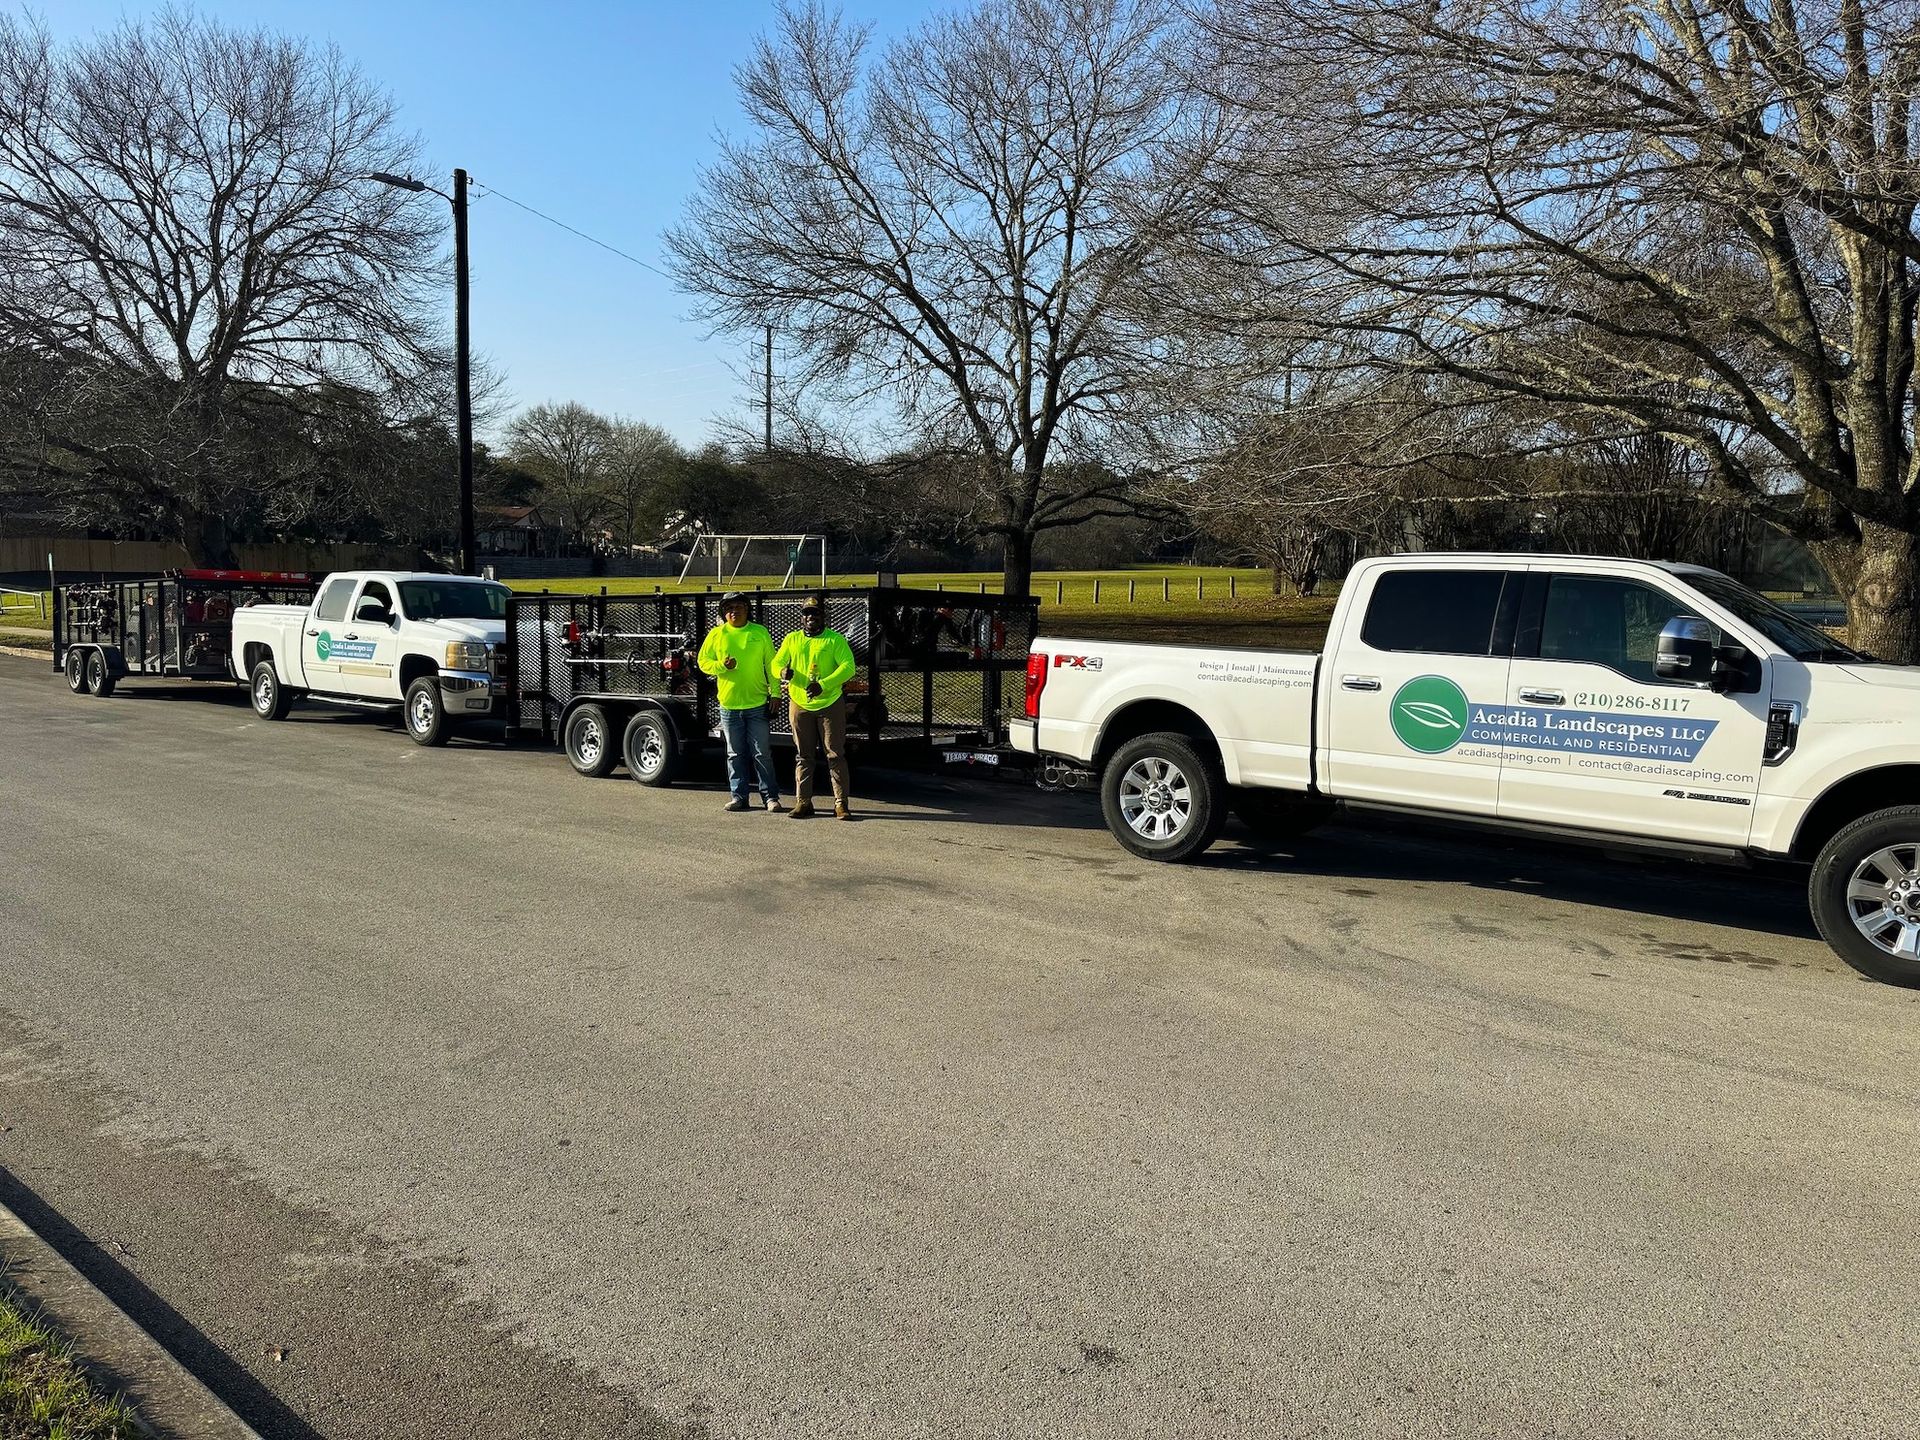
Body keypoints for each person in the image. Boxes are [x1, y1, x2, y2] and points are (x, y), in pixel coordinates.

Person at [773, 597, 857, 820]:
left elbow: (849, 667)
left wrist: (823, 685)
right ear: (801, 617)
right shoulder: (792, 639)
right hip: (800, 703)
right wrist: (782, 672)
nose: (811, 617)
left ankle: (841, 803)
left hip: (830, 703)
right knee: (803, 754)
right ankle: (803, 802)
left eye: (816, 613)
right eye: (807, 613)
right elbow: (776, 663)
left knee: (835, 754)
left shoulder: (834, 640)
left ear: (823, 616)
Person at [697, 592, 782, 812]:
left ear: (747, 609)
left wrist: (776, 693)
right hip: (729, 705)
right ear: (724, 613)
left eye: (739, 607)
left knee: (762, 752)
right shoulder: (717, 634)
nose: (734, 611)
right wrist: (722, 666)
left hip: (756, 703)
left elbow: (772, 666)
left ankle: (770, 798)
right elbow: (703, 662)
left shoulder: (759, 632)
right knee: (735, 754)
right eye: (729, 608)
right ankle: (739, 797)